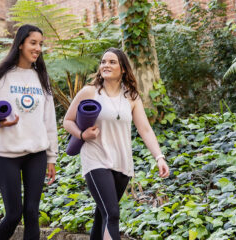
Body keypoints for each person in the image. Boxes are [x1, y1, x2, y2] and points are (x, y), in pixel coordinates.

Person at [63, 48, 170, 240]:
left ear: (123, 69)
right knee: (112, 214)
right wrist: (81, 133)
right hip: (96, 160)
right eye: (103, 61)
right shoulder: (90, 92)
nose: (106, 65)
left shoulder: (131, 97)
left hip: (122, 164)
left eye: (112, 62)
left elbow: (145, 130)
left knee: (102, 215)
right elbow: (67, 121)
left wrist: (159, 157)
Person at [0, 24, 58, 240]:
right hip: (7, 155)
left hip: (37, 154)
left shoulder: (41, 78)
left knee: (32, 213)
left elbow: (49, 121)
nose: (37, 48)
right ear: (20, 44)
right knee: (14, 213)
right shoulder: (1, 75)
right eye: (33, 43)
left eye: (40, 44)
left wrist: (51, 157)